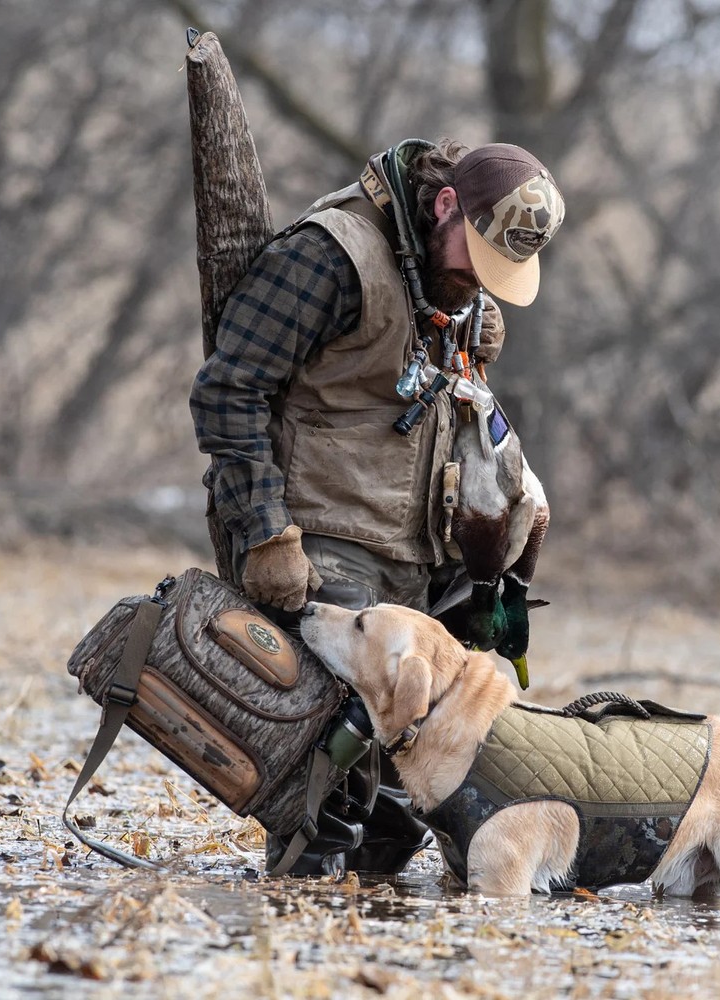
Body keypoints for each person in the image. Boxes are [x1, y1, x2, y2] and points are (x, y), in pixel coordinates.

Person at [189, 137, 565, 877]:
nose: (477, 281)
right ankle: (294, 949)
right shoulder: (327, 258)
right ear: (447, 204)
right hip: (317, 538)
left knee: (412, 796)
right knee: (330, 788)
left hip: (420, 548)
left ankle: (374, 960)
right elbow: (228, 392)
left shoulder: (445, 267)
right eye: (475, 261)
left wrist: (475, 335)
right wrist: (266, 533)